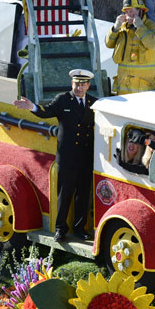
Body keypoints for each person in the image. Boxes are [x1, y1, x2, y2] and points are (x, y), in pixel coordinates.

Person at [14, 69, 96, 242]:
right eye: (76, 84)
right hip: (67, 157)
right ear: (71, 84)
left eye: (83, 84)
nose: (79, 87)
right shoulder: (63, 100)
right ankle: (60, 228)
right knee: (64, 194)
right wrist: (32, 107)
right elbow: (46, 112)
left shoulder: (93, 103)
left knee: (83, 195)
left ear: (88, 85)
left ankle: (80, 228)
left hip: (85, 157)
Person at [105, 0, 155, 94]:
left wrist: (140, 27)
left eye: (131, 11)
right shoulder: (122, 27)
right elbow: (108, 44)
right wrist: (115, 28)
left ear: (141, 10)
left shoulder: (151, 27)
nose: (128, 15)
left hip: (143, 90)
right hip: (123, 89)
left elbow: (153, 44)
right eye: (126, 12)